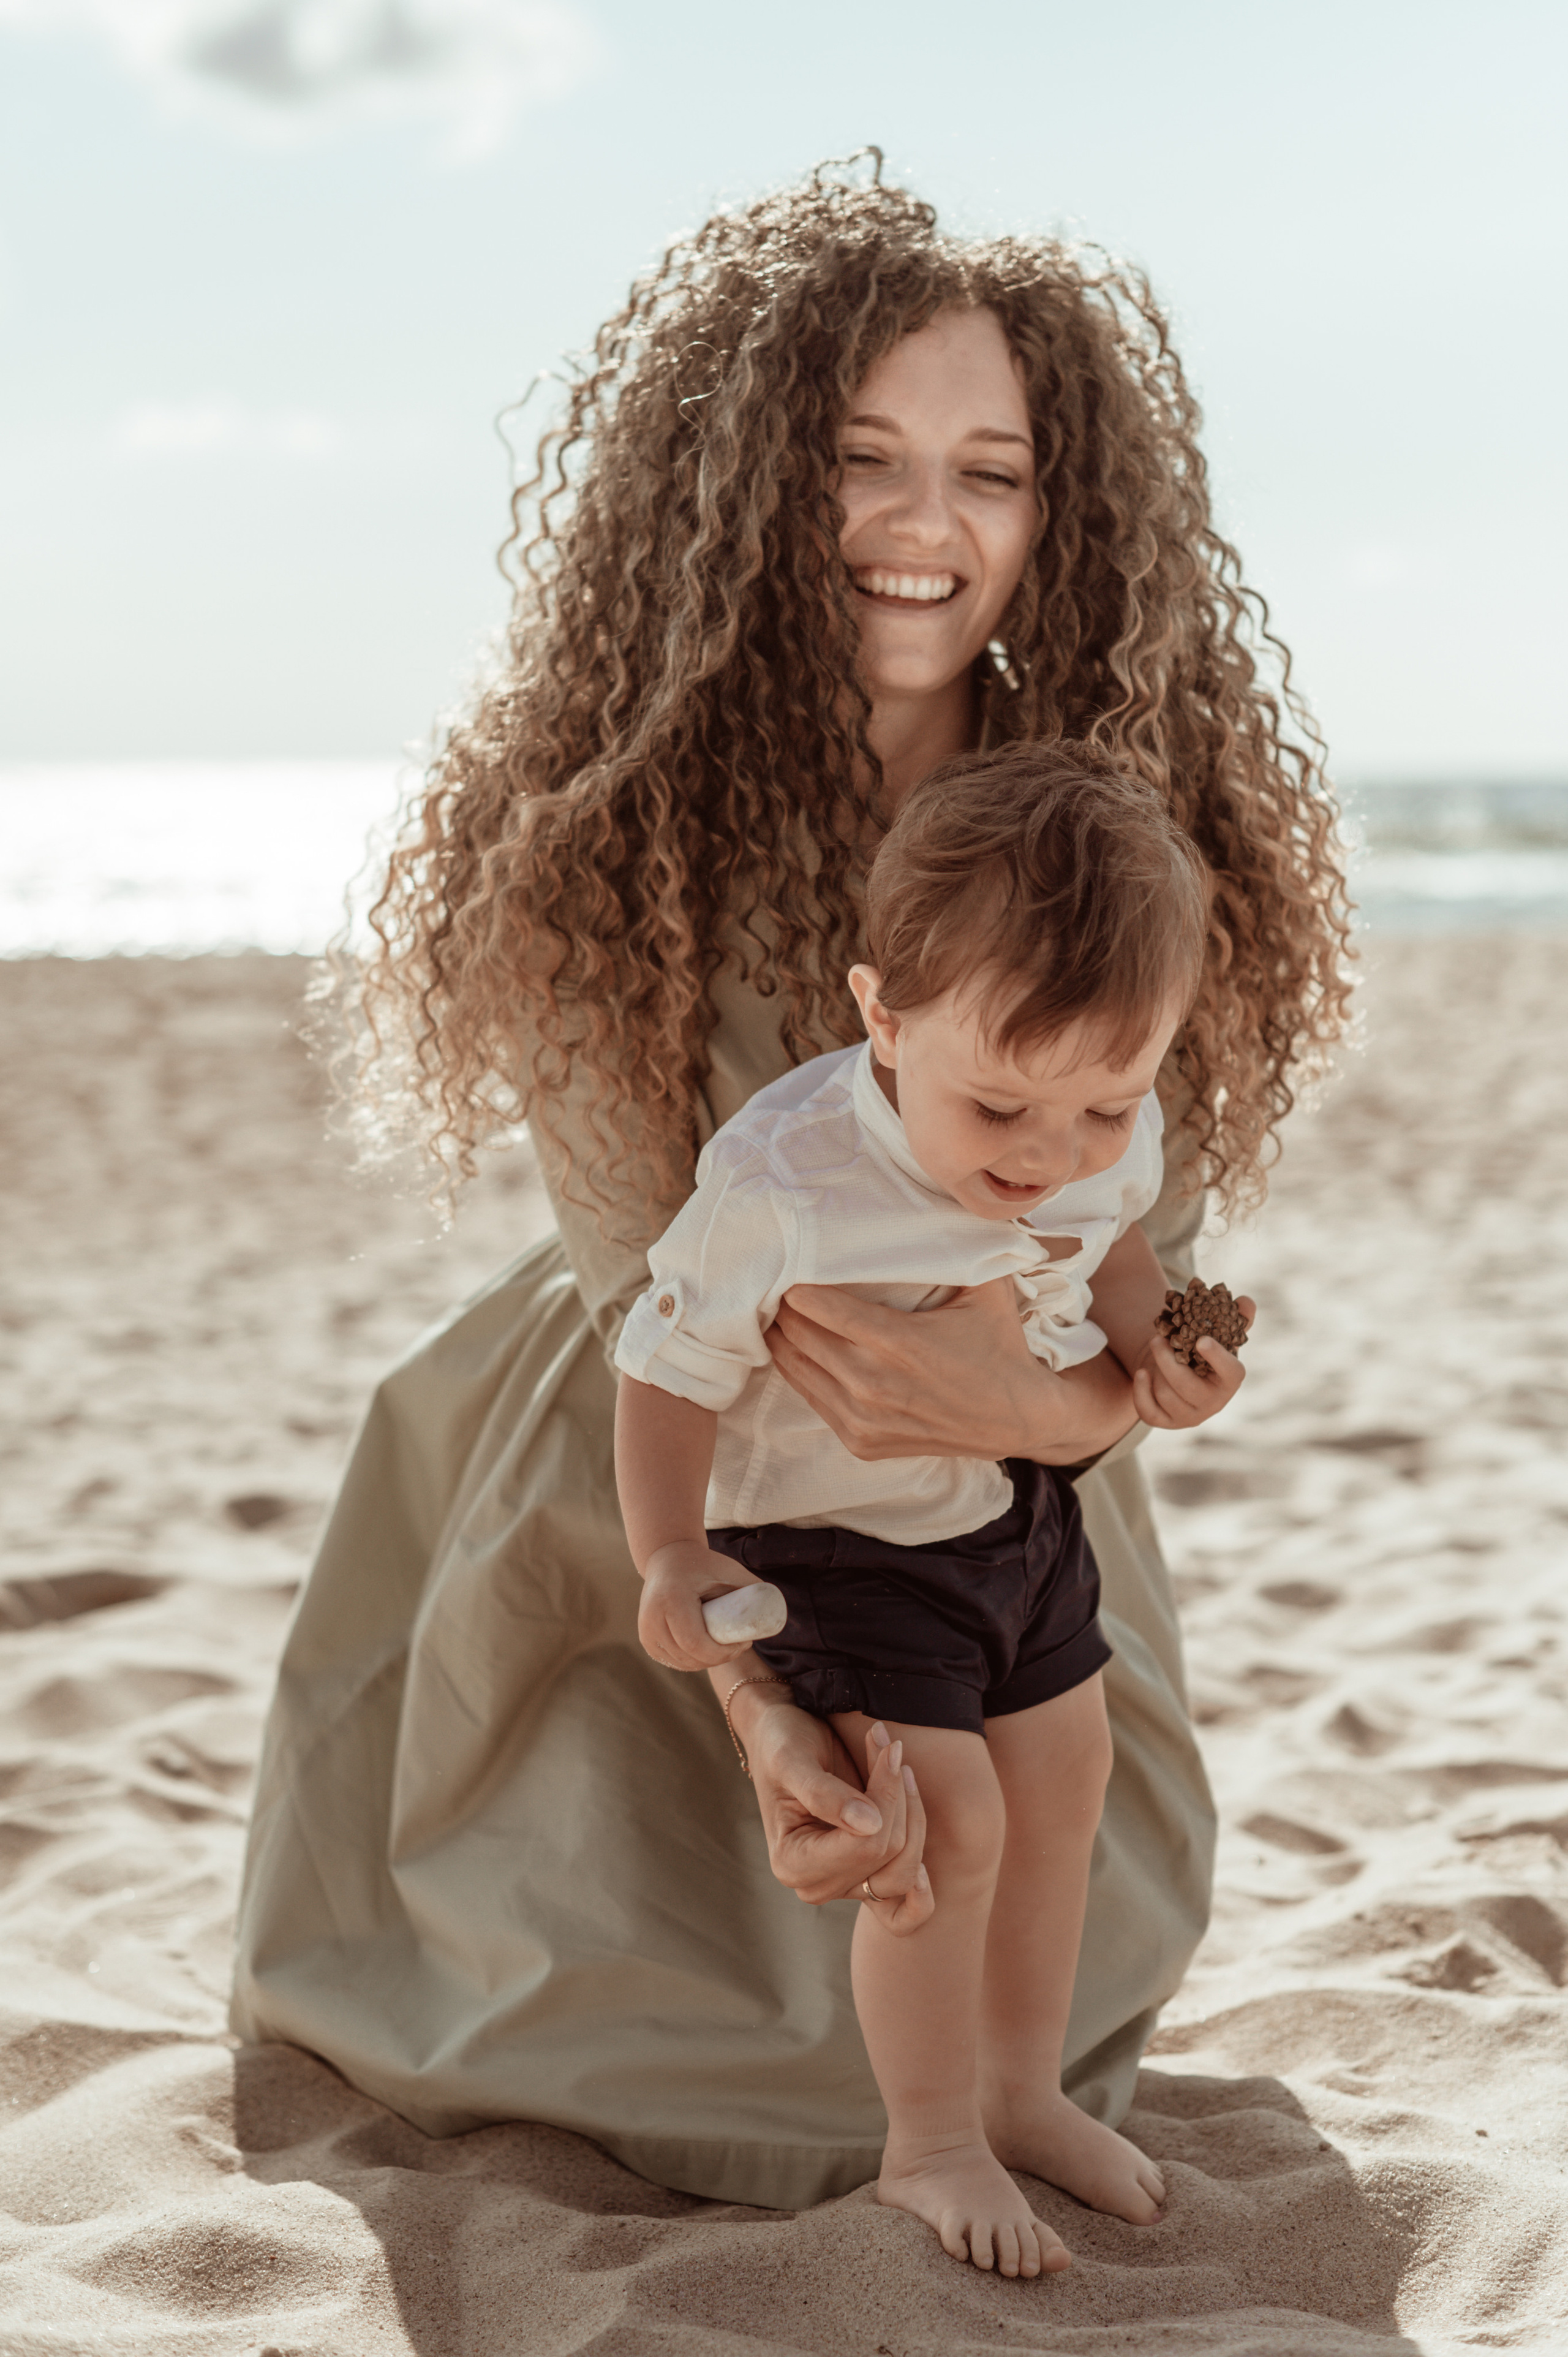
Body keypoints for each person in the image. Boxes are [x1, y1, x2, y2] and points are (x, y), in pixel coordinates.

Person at [231, 156, 1351, 2211]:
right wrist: (759, 1696)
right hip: (666, 1455)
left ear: (1062, 513)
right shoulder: (593, 828)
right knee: (693, 2023)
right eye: (865, 461)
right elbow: (638, 1287)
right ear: (742, 489)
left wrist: (1070, 1407)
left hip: (1019, 1492)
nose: (931, 527)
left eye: (993, 474)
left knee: (1034, 1858)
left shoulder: (1110, 836)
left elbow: (1133, 1242)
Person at [614, 741, 1255, 2274]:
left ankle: (1022, 2090)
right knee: (935, 1827)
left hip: (1012, 1516)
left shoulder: (1099, 1125)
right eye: (1001, 1110)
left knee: (1065, 1782)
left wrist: (1156, 1350)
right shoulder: (785, 1179)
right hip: (832, 1546)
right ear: (881, 1019)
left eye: (1106, 1105)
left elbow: (1109, 1249)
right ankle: (932, 2142)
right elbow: (663, 1364)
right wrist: (668, 1550)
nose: (1049, 1159)